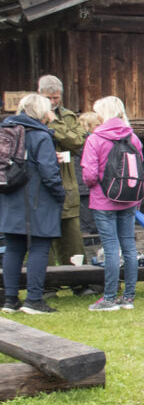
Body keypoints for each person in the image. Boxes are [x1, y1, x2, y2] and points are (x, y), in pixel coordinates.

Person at [1, 94, 66, 314]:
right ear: (41, 111)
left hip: (9, 195)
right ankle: (34, 300)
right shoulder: (40, 135)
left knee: (13, 247)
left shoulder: (6, 130)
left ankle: (10, 300)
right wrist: (60, 193)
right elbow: (48, 171)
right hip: (38, 199)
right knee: (40, 246)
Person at [82, 96, 144, 312]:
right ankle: (128, 298)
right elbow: (140, 170)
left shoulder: (95, 139)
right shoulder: (133, 137)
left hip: (103, 200)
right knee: (129, 247)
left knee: (110, 249)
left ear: (103, 113)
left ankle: (109, 298)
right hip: (129, 198)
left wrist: (94, 185)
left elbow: (89, 175)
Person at [37, 76, 88, 284]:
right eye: (48, 98)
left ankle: (80, 281)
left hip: (65, 184)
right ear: (39, 94)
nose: (52, 102)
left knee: (72, 236)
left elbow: (77, 142)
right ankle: (47, 285)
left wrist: (54, 123)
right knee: (42, 239)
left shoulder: (67, 117)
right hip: (39, 186)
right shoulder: (29, 115)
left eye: (56, 98)